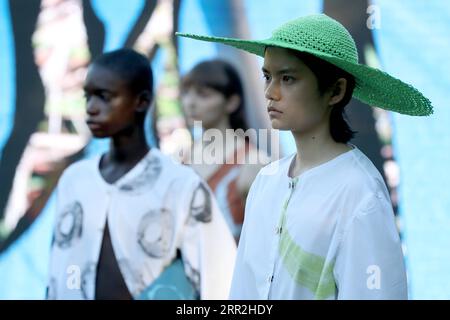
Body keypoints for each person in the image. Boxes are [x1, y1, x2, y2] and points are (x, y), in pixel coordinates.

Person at [177, 14, 433, 299]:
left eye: (287, 78)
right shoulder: (266, 180)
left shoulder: (360, 192)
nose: (270, 92)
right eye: (267, 76)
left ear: (336, 90)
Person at [46, 48, 236, 300]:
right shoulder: (74, 180)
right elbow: (58, 268)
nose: (91, 108)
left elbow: (219, 279)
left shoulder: (179, 185)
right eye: (87, 96)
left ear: (141, 101)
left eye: (104, 97)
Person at [180, 59, 267, 242]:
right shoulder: (180, 159)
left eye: (203, 95)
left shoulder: (253, 163)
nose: (190, 103)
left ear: (232, 102)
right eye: (186, 93)